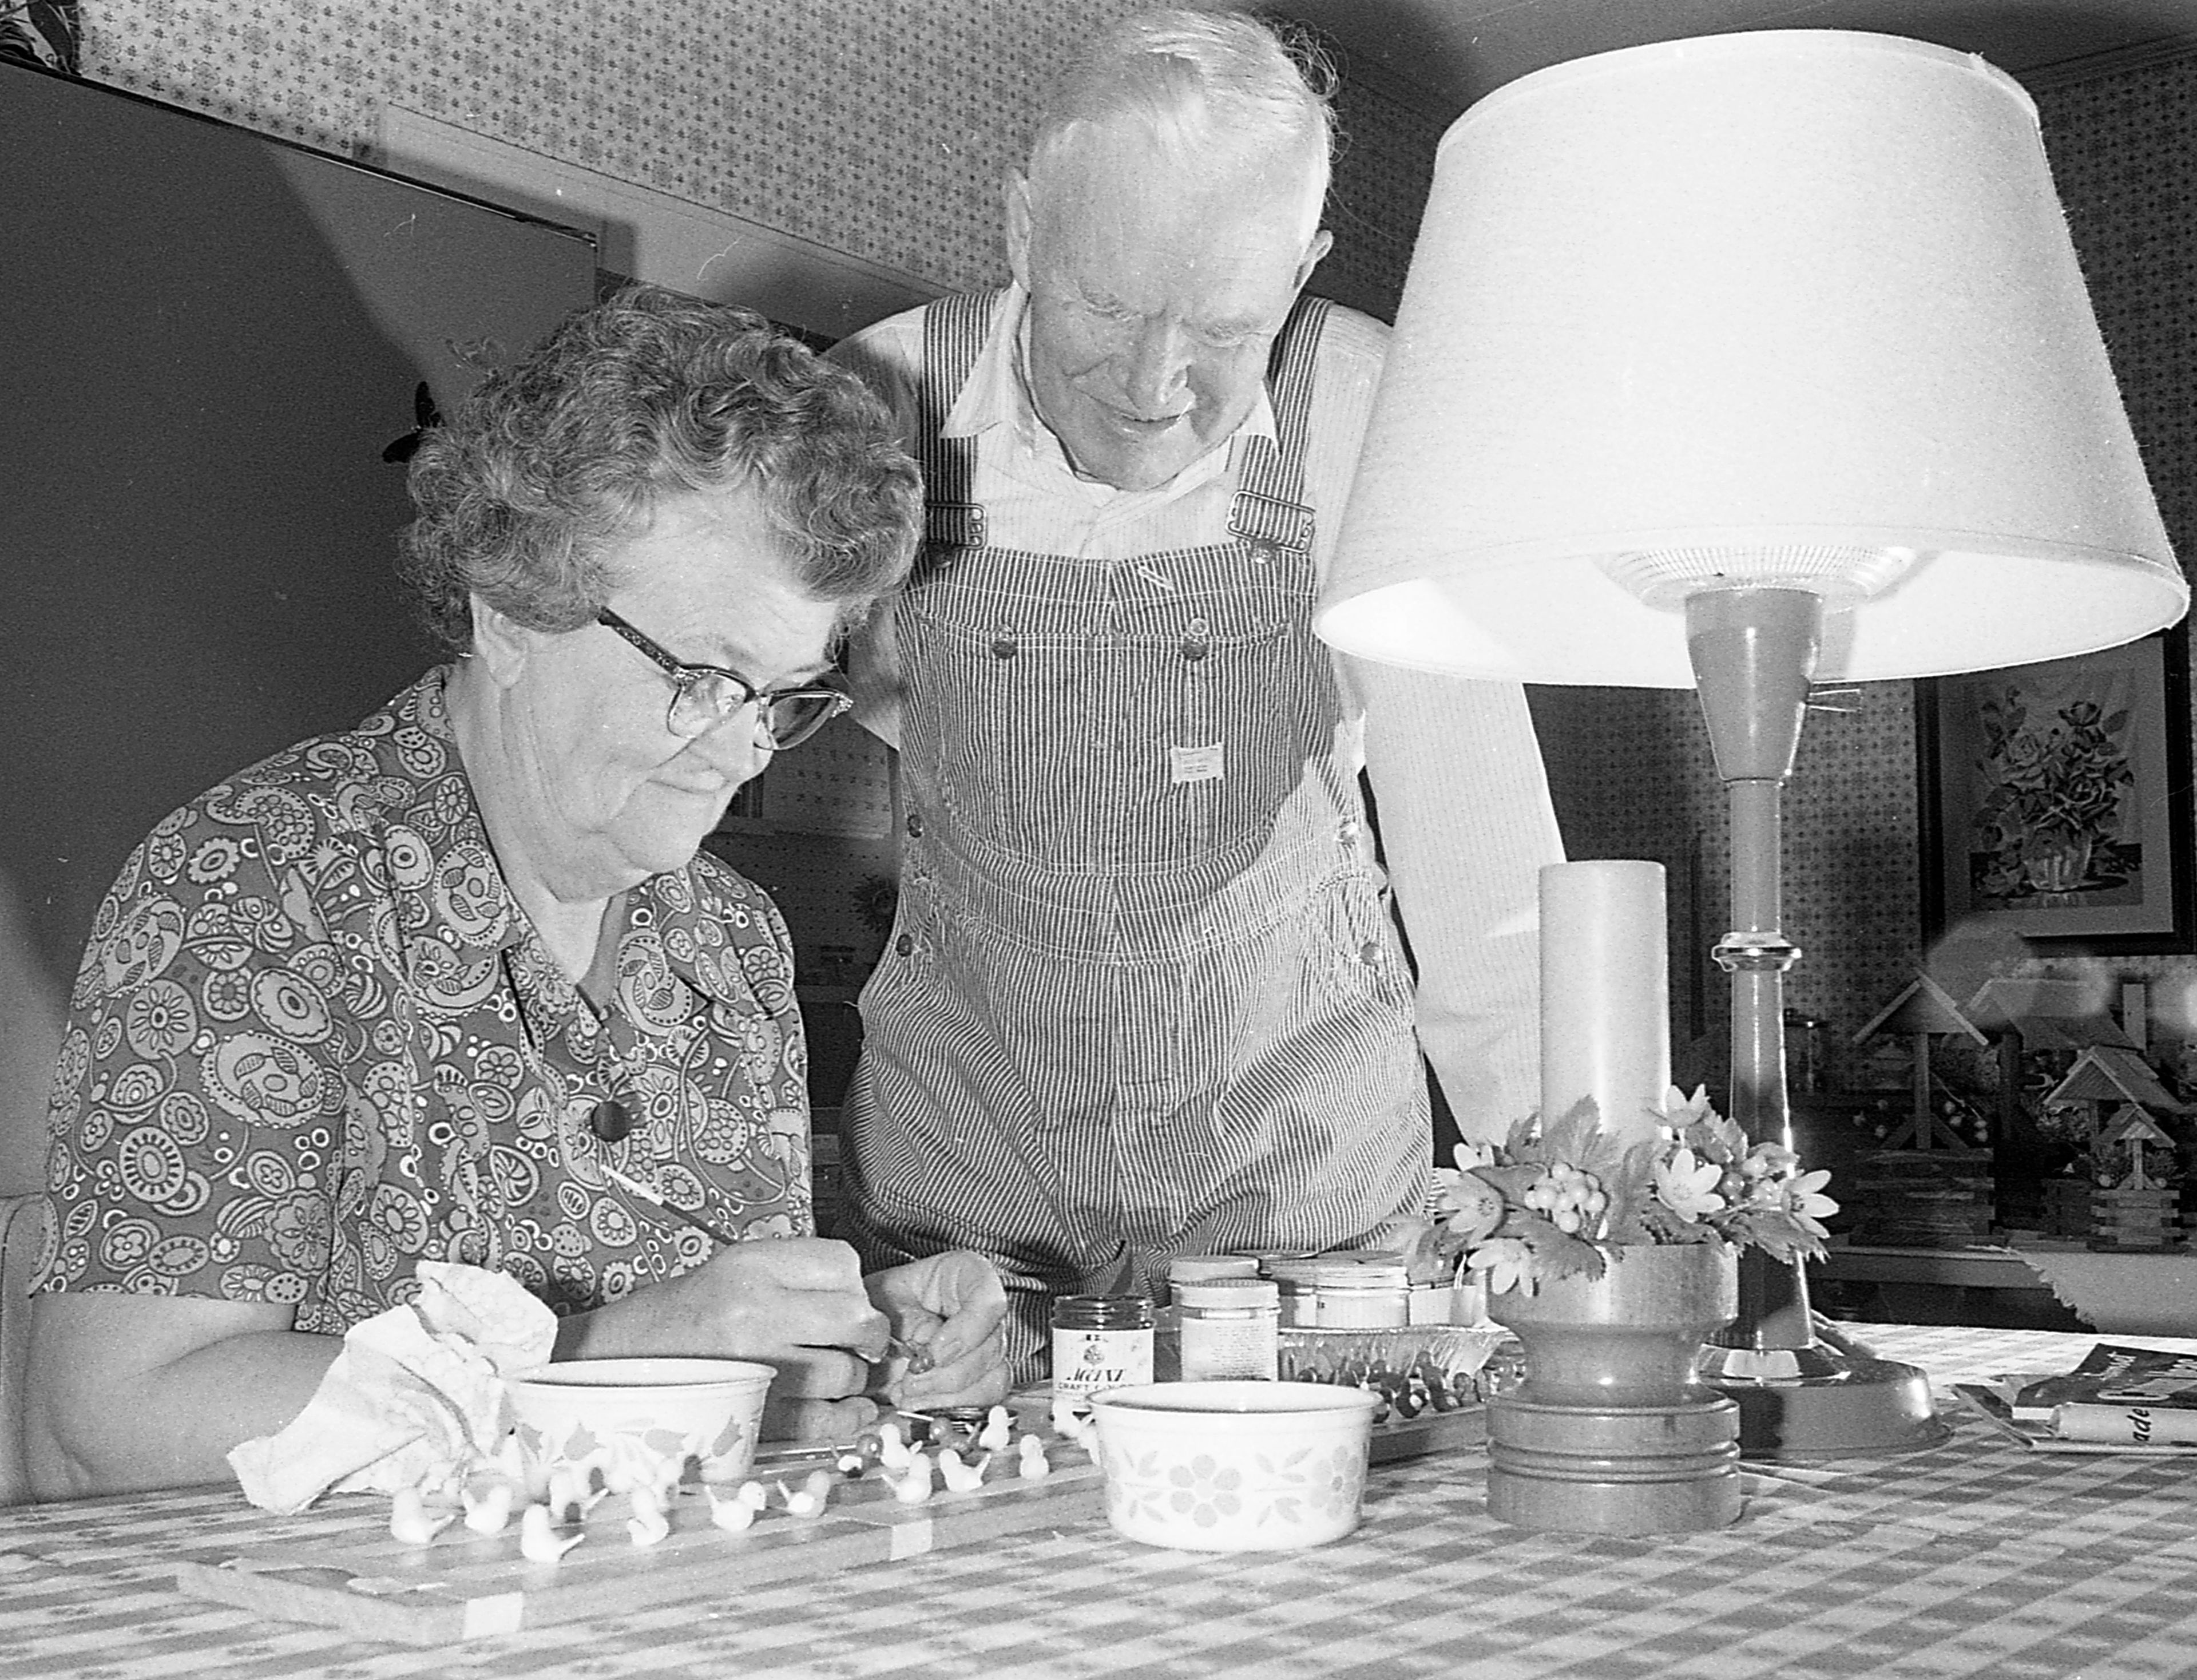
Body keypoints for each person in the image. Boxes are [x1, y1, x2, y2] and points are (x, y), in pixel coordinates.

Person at [23, 287, 1009, 1500]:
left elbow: (726, 1378)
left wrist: (858, 1335)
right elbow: (106, 1425)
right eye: (706, 675)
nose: (744, 747)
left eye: (786, 694)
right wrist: (620, 1351)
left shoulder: (731, 942)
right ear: (512, 611)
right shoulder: (256, 887)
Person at [829, 9, 1565, 1377]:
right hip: (961, 1193)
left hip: (1304, 1197)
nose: (1158, 385)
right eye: (1106, 307)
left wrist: (1580, 1231)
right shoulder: (872, 400)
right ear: (1022, 228)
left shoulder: (1372, 409)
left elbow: (1493, 885)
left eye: (1226, 324)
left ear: (1303, 271)